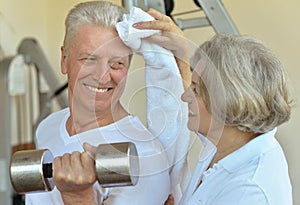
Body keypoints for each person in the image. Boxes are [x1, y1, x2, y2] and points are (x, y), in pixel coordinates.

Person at [25, 1, 189, 205]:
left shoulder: (144, 158)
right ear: (64, 60)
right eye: (89, 59)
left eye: (117, 63)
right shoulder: (48, 126)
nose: (103, 77)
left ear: (128, 67)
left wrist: (78, 197)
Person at [133, 11, 294, 205]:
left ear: (228, 102)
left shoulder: (248, 191)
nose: (185, 97)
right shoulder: (228, 140)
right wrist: (181, 53)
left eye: (196, 91)